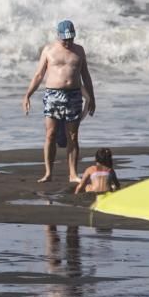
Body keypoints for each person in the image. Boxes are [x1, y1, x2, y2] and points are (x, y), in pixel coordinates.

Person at [22, 20, 96, 184]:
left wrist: (92, 97)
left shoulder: (79, 51)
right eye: (65, 39)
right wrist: (27, 95)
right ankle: (48, 173)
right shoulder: (49, 50)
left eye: (71, 38)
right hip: (53, 95)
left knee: (73, 136)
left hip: (74, 96)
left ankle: (73, 174)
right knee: (50, 135)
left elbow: (86, 76)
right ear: (58, 36)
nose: (68, 42)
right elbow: (39, 75)